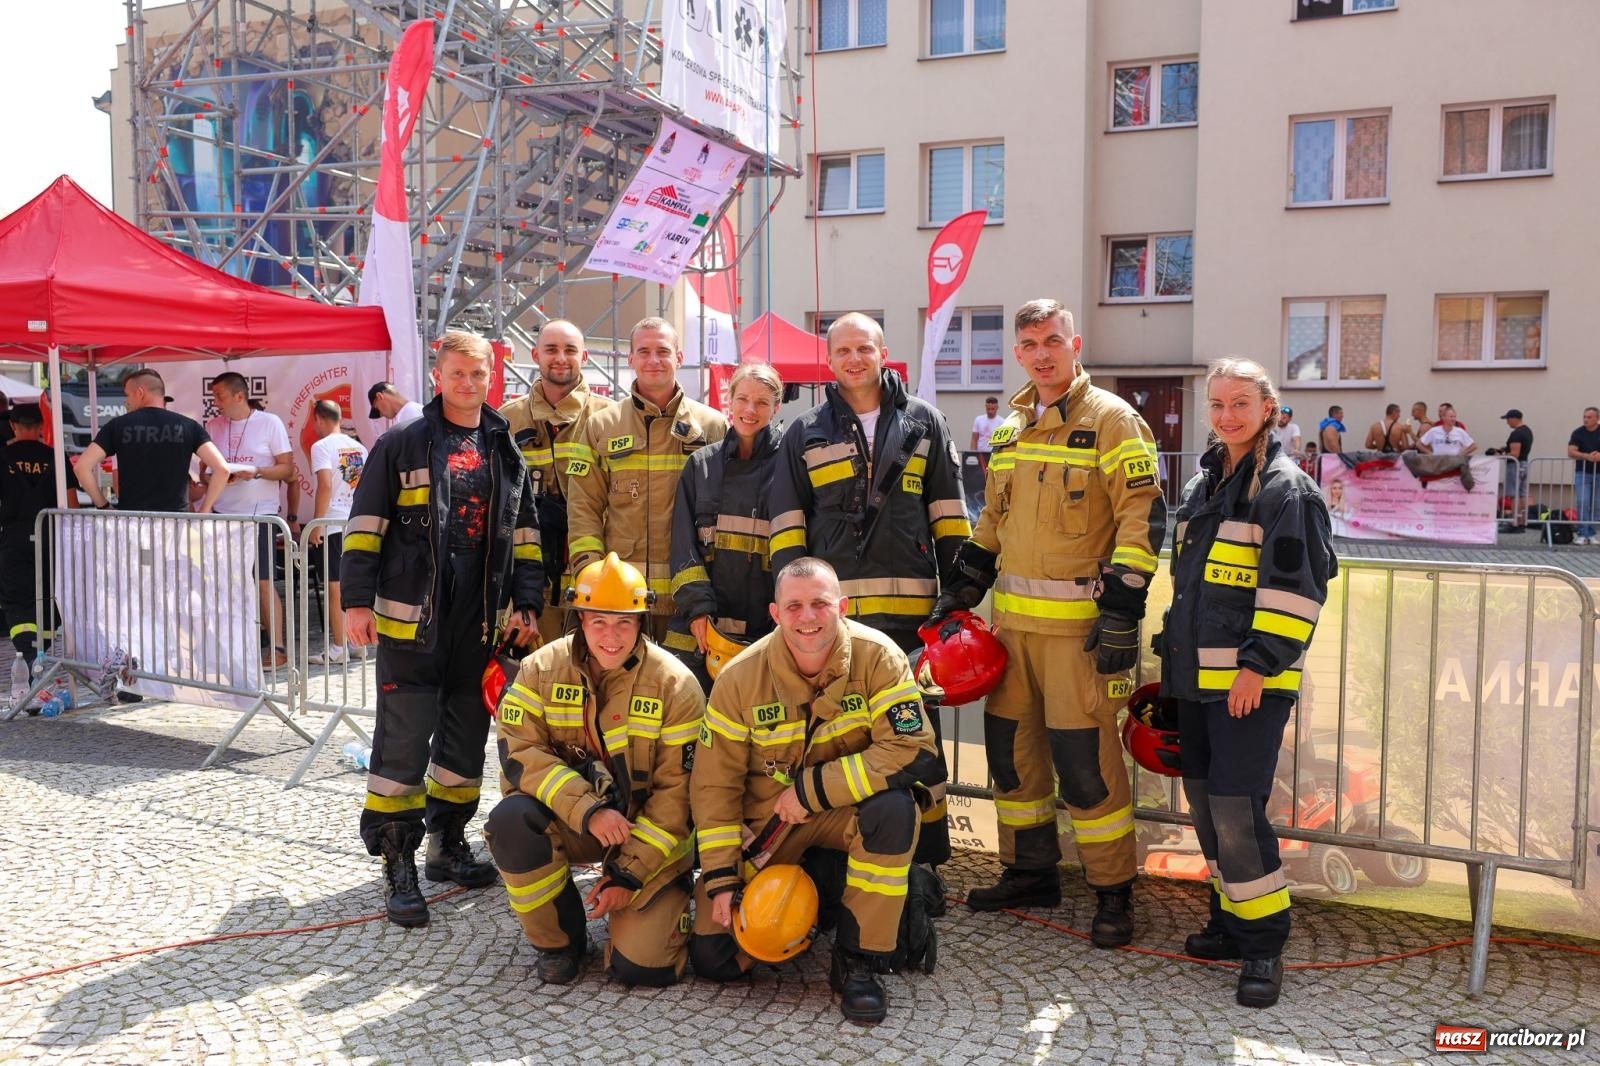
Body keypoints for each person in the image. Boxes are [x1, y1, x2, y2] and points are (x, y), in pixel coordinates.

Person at [926, 298, 1166, 946]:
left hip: (1081, 639)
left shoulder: (1114, 422)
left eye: (1052, 340)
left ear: (1075, 342)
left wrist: (1122, 611)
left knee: (1085, 767)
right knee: (1014, 761)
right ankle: (1029, 871)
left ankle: (1113, 892)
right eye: (1029, 343)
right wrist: (966, 583)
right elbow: (992, 521)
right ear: (1017, 353)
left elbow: (1145, 521)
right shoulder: (1010, 426)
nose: (1042, 353)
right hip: (1012, 635)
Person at [342, 329, 545, 927]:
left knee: (463, 739)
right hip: (413, 620)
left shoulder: (503, 445)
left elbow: (526, 532)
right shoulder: (403, 442)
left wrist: (528, 602)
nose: (468, 383)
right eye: (457, 373)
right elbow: (365, 525)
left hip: (478, 622)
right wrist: (356, 602)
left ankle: (447, 845)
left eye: (478, 374)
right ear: (438, 376)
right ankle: (397, 860)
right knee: (403, 742)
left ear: (492, 377)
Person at [1155, 357, 1336, 1009]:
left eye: (1240, 404)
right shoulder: (1206, 486)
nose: (1227, 416)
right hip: (1198, 684)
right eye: (1217, 405)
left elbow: (1297, 592)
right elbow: (1192, 590)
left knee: (1235, 809)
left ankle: (1263, 945)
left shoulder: (1287, 490)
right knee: (1206, 808)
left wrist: (1258, 666)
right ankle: (1231, 923)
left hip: (1249, 685)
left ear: (1268, 408)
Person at [689, 557, 941, 1023]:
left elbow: (913, 747)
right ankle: (830, 892)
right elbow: (713, 785)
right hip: (770, 822)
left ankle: (859, 959)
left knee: (894, 810)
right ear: (776, 612)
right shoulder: (738, 679)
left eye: (820, 604)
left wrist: (811, 792)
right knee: (716, 957)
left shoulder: (879, 658)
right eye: (795, 606)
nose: (808, 617)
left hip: (845, 810)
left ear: (842, 606)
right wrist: (722, 879)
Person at [767, 311, 969, 871]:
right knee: (842, 736)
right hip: (833, 625)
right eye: (843, 352)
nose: (854, 360)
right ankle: (853, 850)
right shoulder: (805, 432)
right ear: (828, 361)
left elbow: (949, 515)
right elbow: (787, 524)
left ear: (884, 352)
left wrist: (957, 599)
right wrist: (793, 611)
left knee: (917, 739)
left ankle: (927, 862)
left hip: (912, 619)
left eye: (864, 348)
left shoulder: (924, 422)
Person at [485, 552, 703, 986]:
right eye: (598, 621)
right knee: (511, 822)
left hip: (649, 836)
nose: (611, 636)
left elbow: (678, 795)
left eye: (624, 622)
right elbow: (519, 751)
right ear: (579, 618)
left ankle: (652, 902)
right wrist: (589, 809)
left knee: (642, 968)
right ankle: (559, 939)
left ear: (642, 622)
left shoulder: (676, 685)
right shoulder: (539, 669)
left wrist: (628, 873)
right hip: (580, 822)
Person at [565, 317, 726, 645]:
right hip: (621, 599)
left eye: (663, 351)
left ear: (679, 358)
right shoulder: (601, 427)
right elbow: (583, 509)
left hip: (692, 598)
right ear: (631, 359)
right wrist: (593, 576)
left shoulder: (713, 427)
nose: (654, 360)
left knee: (685, 691)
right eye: (644, 351)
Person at [498, 319, 615, 645]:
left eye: (569, 350)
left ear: (585, 356)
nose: (560, 358)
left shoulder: (610, 418)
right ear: (536, 354)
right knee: (536, 675)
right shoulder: (507, 419)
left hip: (592, 572)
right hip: (530, 580)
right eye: (551, 349)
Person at [667, 363, 784, 691]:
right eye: (742, 399)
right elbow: (683, 546)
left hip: (768, 628)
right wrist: (698, 609)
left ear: (776, 407)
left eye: (762, 402)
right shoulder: (701, 465)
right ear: (728, 401)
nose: (750, 410)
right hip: (702, 630)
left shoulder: (791, 466)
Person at [203, 372, 296, 666]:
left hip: (260, 516)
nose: (215, 402)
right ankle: (233, 645)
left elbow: (287, 470)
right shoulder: (213, 425)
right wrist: (221, 476)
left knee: (264, 582)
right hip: (222, 515)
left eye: (220, 396)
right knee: (225, 584)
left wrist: (255, 471)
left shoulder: (270, 423)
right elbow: (205, 473)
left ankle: (278, 648)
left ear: (239, 396)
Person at [74, 369, 230, 514]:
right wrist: (204, 510)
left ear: (140, 393)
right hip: (175, 523)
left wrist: (103, 505)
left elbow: (82, 467)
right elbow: (222, 469)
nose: (127, 401)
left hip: (132, 521)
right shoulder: (188, 426)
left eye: (128, 395)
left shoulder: (117, 426)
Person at [0, 404, 75, 701]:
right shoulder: (55, 457)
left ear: (14, 426)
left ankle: (28, 659)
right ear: (42, 425)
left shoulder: (3, 456)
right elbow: (70, 502)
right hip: (51, 537)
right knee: (48, 596)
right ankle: (40, 657)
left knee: (17, 600)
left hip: (13, 538)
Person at [306, 400, 369, 663]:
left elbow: (324, 485)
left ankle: (339, 647)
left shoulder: (321, 447)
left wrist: (316, 524)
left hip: (333, 522)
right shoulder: (358, 447)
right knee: (354, 585)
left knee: (334, 587)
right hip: (354, 521)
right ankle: (356, 644)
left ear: (318, 419)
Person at [1488, 409, 1533, 533]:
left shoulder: (1516, 434)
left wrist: (1500, 455)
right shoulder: (1527, 431)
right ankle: (1522, 522)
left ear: (1514, 418)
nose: (1507, 422)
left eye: (1508, 419)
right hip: (1524, 464)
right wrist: (1505, 448)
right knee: (1523, 494)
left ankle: (1514, 523)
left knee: (1514, 496)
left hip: (1515, 466)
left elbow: (1515, 453)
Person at [1568, 406, 1600, 545]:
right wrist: (1586, 456)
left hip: (1599, 473)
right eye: (1584, 417)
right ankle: (1582, 533)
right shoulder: (1578, 433)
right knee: (1583, 502)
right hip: (1583, 473)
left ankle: (1592, 533)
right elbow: (1571, 451)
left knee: (1596, 504)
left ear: (1597, 418)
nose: (1586, 419)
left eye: (1589, 417)